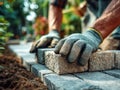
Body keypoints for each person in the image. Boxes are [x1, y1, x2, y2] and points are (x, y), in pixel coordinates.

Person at [30, 0, 120, 66]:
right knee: (82, 50)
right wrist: (53, 31)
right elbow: (56, 4)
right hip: (95, 15)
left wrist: (96, 33)